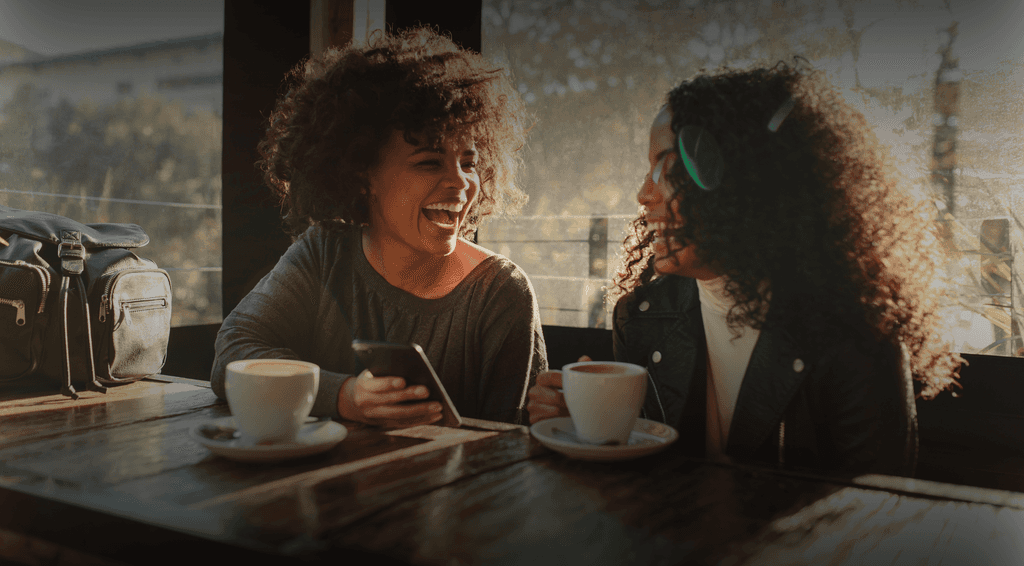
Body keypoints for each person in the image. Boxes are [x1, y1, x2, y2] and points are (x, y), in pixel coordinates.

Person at [527, 62, 963, 476]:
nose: (644, 193)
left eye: (668, 167)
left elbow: (874, 520)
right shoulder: (641, 316)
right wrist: (586, 427)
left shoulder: (854, 335)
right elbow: (644, 475)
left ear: (744, 181)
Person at [212, 27, 547, 427]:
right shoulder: (325, 253)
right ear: (361, 173)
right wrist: (342, 396)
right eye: (429, 161)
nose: (461, 183)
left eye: (470, 163)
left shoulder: (501, 292)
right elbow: (233, 353)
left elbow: (514, 448)